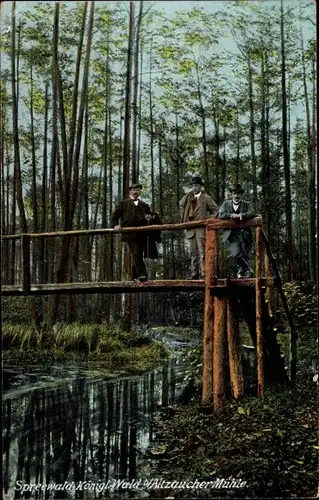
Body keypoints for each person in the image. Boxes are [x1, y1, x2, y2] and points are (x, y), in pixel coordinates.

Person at [110, 183, 161, 281]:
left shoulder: (145, 205)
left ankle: (135, 276)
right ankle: (143, 275)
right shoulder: (123, 204)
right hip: (130, 234)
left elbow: (151, 217)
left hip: (142, 234)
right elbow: (114, 217)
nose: (135, 192)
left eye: (137, 190)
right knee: (136, 252)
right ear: (130, 191)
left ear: (140, 192)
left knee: (138, 254)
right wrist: (115, 225)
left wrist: (150, 218)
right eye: (133, 190)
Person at [180, 174, 219, 279]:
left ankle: (204, 274)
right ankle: (194, 274)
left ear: (201, 187)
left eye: (196, 185)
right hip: (190, 230)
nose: (194, 188)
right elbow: (182, 210)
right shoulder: (188, 198)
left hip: (201, 229)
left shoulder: (206, 198)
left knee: (202, 253)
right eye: (193, 186)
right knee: (193, 253)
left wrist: (208, 221)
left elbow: (216, 211)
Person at [219, 183, 256, 278]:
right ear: (231, 194)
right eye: (234, 193)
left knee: (245, 253)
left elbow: (252, 213)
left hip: (244, 233)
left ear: (241, 194)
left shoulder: (247, 204)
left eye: (238, 193)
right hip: (231, 234)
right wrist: (231, 215)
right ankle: (247, 269)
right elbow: (221, 215)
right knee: (235, 253)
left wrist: (241, 215)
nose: (236, 195)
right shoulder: (226, 204)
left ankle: (242, 272)